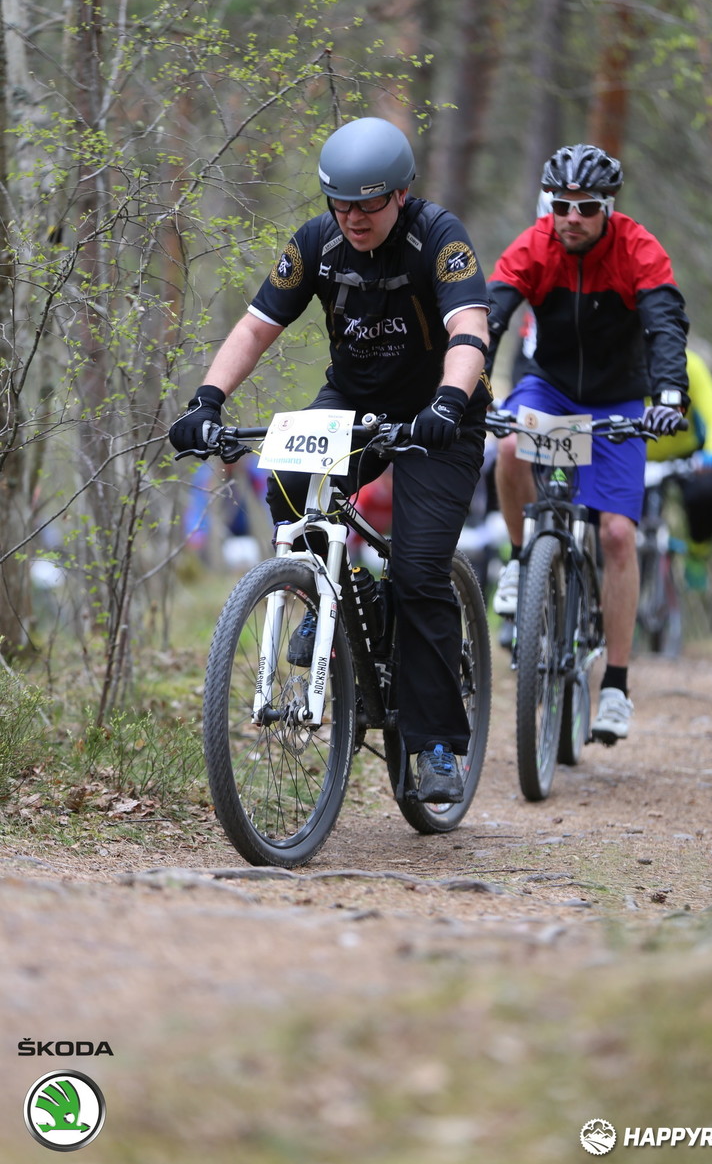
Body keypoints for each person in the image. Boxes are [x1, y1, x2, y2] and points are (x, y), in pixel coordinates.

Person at [169, 116, 492, 803]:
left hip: (440, 414)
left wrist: (447, 402)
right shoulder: (317, 243)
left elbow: (469, 328)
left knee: (418, 566)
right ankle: (339, 591)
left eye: (368, 203)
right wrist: (207, 400)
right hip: (351, 400)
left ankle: (436, 745)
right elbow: (258, 324)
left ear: (401, 194)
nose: (353, 217)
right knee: (286, 488)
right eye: (339, 203)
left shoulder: (439, 236)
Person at [486, 143, 689, 744]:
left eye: (587, 206)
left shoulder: (637, 249)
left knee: (618, 534)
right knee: (505, 447)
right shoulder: (534, 245)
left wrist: (669, 396)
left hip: (619, 401)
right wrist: (470, 380)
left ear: (608, 208)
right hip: (548, 389)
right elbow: (491, 314)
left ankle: (617, 687)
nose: (571, 217)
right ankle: (525, 563)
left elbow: (664, 324)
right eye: (561, 205)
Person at [645, 348, 712, 591]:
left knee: (706, 491)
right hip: (637, 458)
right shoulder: (622, 362)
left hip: (687, 456)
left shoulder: (690, 365)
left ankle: (697, 555)